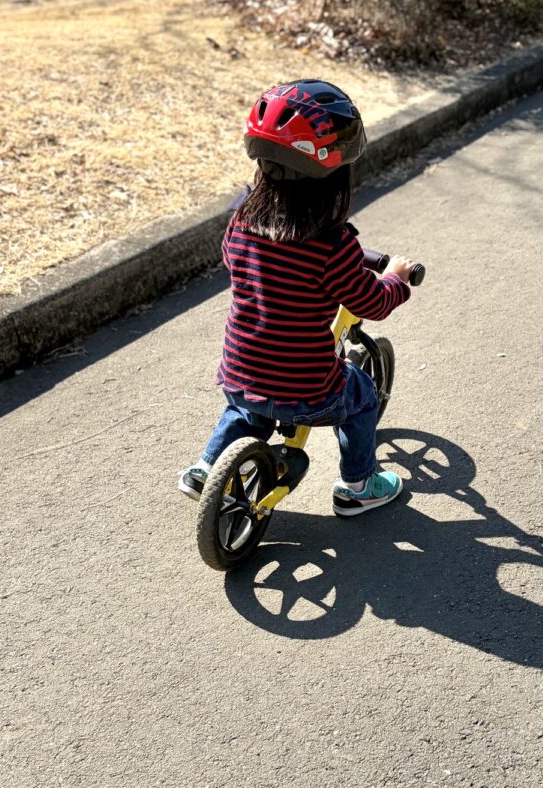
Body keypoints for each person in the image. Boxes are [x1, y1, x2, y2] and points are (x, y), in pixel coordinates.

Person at [178, 79, 417, 517]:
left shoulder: (242, 219)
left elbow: (233, 263)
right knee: (361, 397)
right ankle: (358, 487)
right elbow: (371, 303)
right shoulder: (334, 246)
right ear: (333, 177)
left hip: (240, 371)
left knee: (246, 410)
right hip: (306, 390)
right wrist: (396, 279)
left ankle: (206, 468)